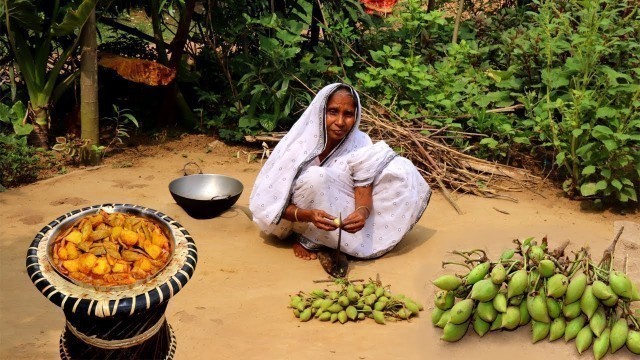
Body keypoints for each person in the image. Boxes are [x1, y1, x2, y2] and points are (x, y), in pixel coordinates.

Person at [249, 83, 431, 260]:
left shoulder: (360, 141)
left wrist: (361, 213)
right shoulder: (297, 146)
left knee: (401, 168)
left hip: (338, 210)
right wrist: (308, 216)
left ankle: (330, 240)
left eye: (348, 114)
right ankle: (307, 236)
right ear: (321, 112)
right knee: (316, 177)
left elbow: (363, 186)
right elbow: (267, 203)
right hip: (296, 216)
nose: (340, 122)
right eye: (333, 112)